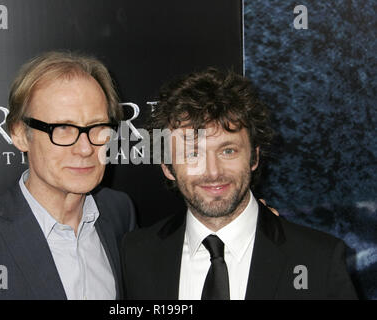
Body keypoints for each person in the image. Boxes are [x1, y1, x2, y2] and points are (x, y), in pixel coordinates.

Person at [121, 68, 357, 299]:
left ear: (254, 157)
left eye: (228, 150)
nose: (213, 172)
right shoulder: (136, 255)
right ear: (167, 167)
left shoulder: (320, 260)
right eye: (192, 154)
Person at [0, 51, 136, 300]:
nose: (85, 148)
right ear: (19, 134)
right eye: (63, 128)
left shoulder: (119, 213)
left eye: (98, 127)